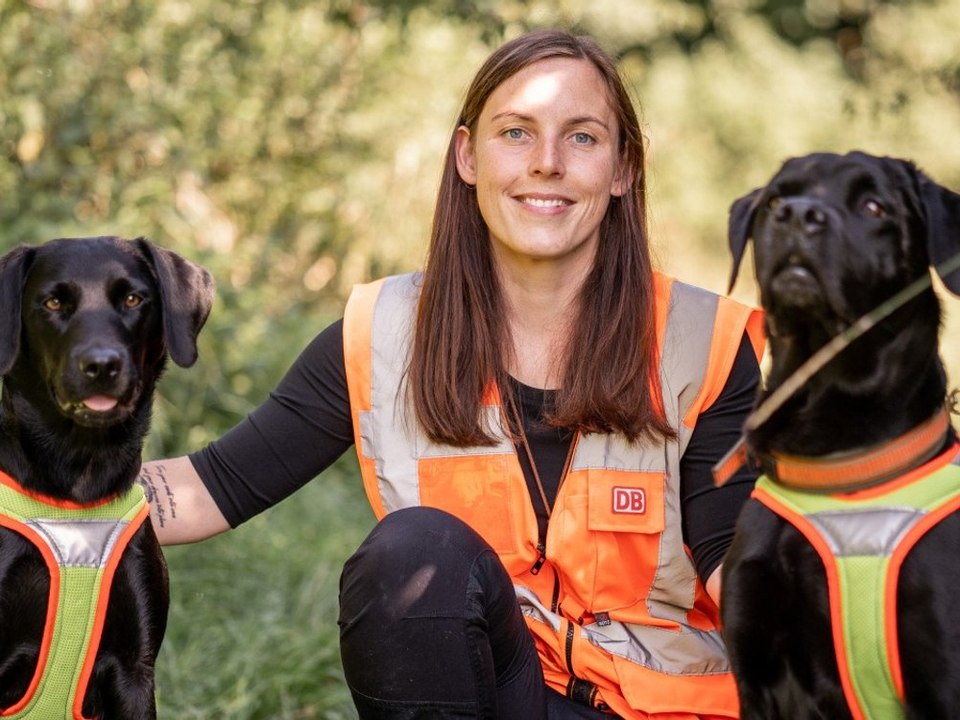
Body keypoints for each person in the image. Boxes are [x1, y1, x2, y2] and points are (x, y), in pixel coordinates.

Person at [142, 29, 764, 719]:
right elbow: (212, 486)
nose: (547, 163)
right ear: (468, 155)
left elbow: (735, 564)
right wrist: (27, 493)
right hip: (487, 694)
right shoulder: (383, 333)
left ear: (622, 168)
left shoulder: (702, 344)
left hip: (664, 708)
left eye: (583, 137)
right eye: (516, 133)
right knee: (411, 552)